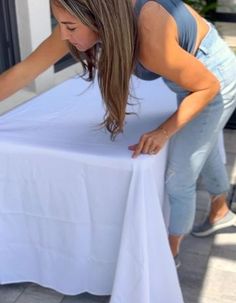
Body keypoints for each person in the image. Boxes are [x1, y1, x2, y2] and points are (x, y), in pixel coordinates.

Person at [0, 0, 236, 268]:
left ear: (98, 20)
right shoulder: (82, 17)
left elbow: (207, 86)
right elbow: (25, 71)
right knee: (199, 142)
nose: (64, 35)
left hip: (215, 77)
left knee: (179, 176)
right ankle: (220, 210)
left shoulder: (148, 33)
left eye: (70, 27)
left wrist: (163, 131)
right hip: (189, 77)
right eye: (61, 25)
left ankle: (169, 256)